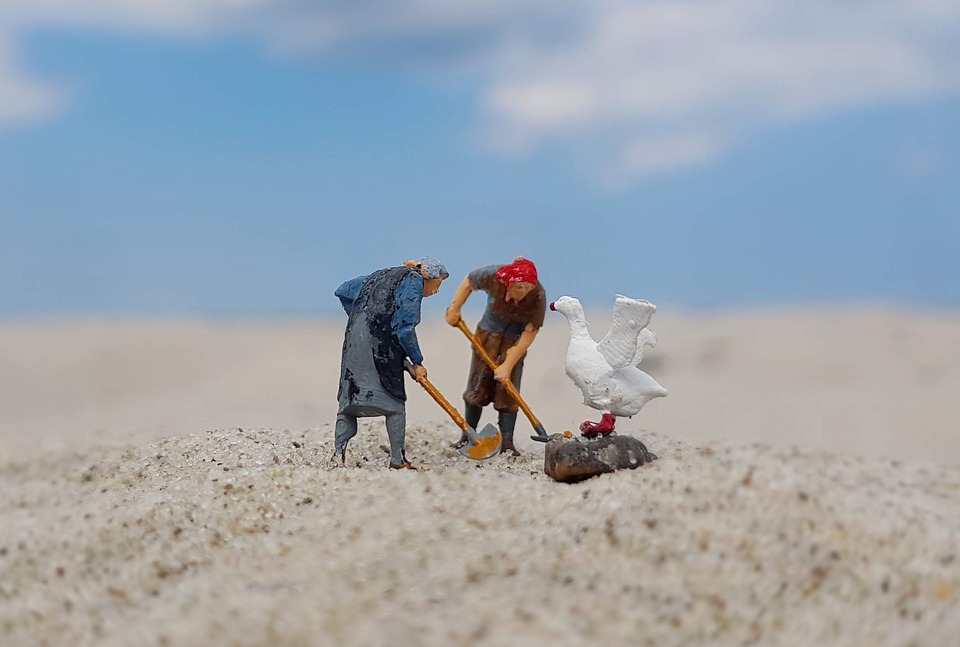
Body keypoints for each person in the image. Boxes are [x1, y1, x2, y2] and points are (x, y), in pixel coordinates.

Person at [333, 257, 448, 469]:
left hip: (354, 342)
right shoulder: (413, 282)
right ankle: (397, 459)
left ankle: (337, 455)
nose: (435, 291)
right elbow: (405, 327)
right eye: (437, 285)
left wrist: (361, 318)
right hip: (381, 348)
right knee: (394, 406)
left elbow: (343, 291)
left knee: (348, 406)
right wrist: (417, 361)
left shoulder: (380, 275)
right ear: (428, 277)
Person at [444, 257, 546, 455]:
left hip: (514, 343)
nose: (524, 291)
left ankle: (507, 444)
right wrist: (454, 308)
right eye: (519, 287)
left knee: (508, 393)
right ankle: (468, 436)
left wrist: (507, 365)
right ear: (508, 283)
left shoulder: (538, 295)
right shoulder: (493, 276)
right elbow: (469, 281)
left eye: (528, 287)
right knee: (476, 388)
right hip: (487, 338)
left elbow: (529, 333)